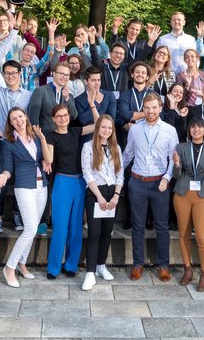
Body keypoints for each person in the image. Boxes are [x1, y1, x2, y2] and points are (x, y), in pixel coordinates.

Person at [123, 93, 180, 281]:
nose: (150, 111)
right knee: (137, 225)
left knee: (162, 226)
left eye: (154, 107)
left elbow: (174, 158)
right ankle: (138, 264)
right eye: (147, 107)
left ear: (160, 108)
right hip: (137, 182)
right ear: (143, 109)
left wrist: (167, 177)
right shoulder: (135, 130)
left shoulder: (170, 130)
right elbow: (127, 155)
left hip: (159, 184)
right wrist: (115, 175)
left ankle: (163, 265)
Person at [0, 107, 49, 288]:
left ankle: (22, 263)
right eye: (14, 119)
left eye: (20, 116)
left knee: (32, 229)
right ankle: (9, 268)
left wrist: (42, 147)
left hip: (42, 186)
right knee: (30, 229)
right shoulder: (8, 143)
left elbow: (44, 158)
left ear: (26, 117)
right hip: (24, 186)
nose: (18, 121)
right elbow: (8, 167)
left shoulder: (35, 135)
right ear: (10, 123)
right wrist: (4, 175)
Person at [0, 54, 32, 233]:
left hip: (21, 142)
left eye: (13, 73)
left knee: (20, 179)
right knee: (0, 179)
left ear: (19, 74)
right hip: (1, 141)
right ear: (3, 75)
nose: (10, 76)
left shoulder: (28, 96)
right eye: (7, 73)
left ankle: (18, 214)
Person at [43, 104, 94, 279]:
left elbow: (97, 123)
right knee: (60, 228)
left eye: (65, 115)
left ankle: (71, 265)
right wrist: (42, 140)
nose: (63, 118)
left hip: (79, 182)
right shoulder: (51, 136)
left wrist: (92, 105)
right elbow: (49, 158)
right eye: (59, 116)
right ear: (54, 119)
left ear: (69, 116)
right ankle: (53, 268)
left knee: (75, 228)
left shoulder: (75, 131)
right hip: (62, 181)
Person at [171, 118, 204, 292]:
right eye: (193, 127)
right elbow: (176, 175)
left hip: (203, 195)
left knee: (201, 236)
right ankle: (188, 270)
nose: (196, 130)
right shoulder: (181, 148)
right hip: (183, 194)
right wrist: (176, 164)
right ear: (189, 130)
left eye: (200, 127)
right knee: (183, 234)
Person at [80, 115, 124, 291]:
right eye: (103, 127)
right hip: (95, 193)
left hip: (112, 192)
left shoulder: (116, 148)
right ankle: (90, 272)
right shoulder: (88, 147)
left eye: (110, 128)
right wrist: (99, 197)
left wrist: (115, 196)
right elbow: (87, 174)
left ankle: (101, 265)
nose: (106, 131)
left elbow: (120, 174)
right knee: (95, 233)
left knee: (107, 232)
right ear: (97, 128)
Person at [29, 62, 78, 134]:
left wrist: (67, 99)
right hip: (45, 138)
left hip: (62, 138)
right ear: (54, 74)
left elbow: (74, 116)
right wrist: (38, 138)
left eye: (67, 75)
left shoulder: (69, 96)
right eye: (61, 74)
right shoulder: (40, 91)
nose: (64, 77)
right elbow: (33, 119)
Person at [75, 67, 116, 144]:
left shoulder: (109, 96)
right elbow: (83, 121)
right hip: (87, 140)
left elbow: (112, 119)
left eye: (98, 80)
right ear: (86, 82)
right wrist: (94, 103)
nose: (97, 83)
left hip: (106, 139)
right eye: (93, 80)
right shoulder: (78, 100)